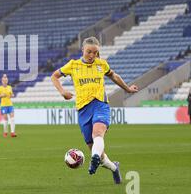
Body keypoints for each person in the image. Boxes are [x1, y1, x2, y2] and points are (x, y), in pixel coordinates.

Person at [51, 37, 138, 184]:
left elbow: (114, 76)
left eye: (95, 52)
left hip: (100, 104)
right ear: (82, 50)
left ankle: (94, 159)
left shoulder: (101, 64)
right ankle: (114, 167)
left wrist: (127, 88)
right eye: (88, 52)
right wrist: (62, 91)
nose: (91, 55)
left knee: (98, 133)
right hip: (83, 109)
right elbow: (54, 76)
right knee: (96, 149)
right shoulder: (73, 65)